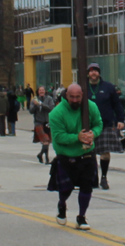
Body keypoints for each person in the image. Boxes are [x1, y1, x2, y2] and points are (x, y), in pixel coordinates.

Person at [48, 83, 103, 231]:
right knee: (66, 189)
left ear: (82, 96)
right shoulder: (56, 113)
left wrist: (94, 133)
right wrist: (77, 137)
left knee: (87, 187)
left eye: (77, 97)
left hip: (86, 155)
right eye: (71, 97)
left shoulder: (91, 107)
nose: (74, 100)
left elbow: (98, 124)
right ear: (66, 96)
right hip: (66, 157)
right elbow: (58, 137)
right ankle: (62, 204)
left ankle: (81, 217)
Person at [86, 63, 125, 190]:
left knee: (105, 153)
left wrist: (120, 119)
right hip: (87, 125)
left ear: (99, 73)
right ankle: (93, 177)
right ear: (88, 73)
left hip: (106, 124)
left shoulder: (108, 87)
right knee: (88, 153)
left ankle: (104, 177)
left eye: (96, 71)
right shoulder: (82, 87)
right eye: (91, 71)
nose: (93, 73)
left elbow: (117, 104)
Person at [30, 86, 55, 164]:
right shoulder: (34, 100)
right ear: (38, 91)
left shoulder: (49, 99)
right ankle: (47, 159)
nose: (41, 91)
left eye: (43, 90)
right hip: (38, 122)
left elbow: (51, 109)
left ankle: (40, 155)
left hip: (47, 122)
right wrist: (36, 105)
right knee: (45, 140)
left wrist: (41, 104)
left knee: (47, 141)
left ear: (45, 91)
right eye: (40, 90)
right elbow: (31, 111)